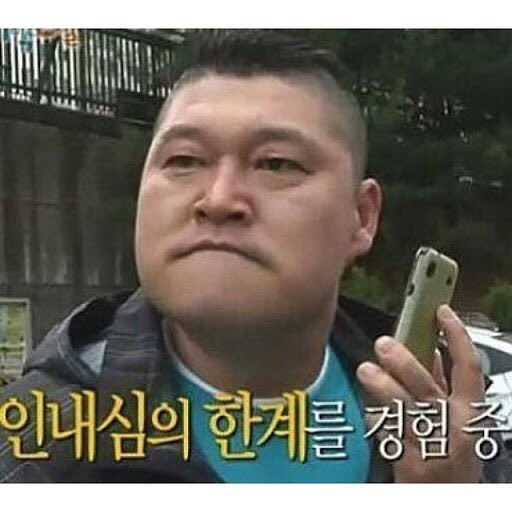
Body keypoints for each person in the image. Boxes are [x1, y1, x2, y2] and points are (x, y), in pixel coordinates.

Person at [0, 29, 510, 483]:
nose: (219, 199)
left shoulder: (445, 430)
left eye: (276, 163)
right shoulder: (32, 447)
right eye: (184, 159)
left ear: (361, 217)